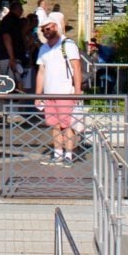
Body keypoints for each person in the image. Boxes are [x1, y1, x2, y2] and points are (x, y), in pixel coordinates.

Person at [35, 16, 83, 167]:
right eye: (43, 30)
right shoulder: (43, 48)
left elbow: (77, 67)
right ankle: (57, 154)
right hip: (50, 93)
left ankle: (68, 155)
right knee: (54, 125)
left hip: (64, 92)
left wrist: (77, 91)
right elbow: (41, 71)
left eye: (48, 28)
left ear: (55, 26)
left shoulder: (67, 44)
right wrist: (38, 95)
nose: (45, 32)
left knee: (66, 125)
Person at [0, 0, 28, 84]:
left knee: (16, 83)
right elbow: (6, 37)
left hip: (12, 57)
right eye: (21, 9)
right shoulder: (10, 20)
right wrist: (12, 57)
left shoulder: (14, 20)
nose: (22, 11)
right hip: (8, 57)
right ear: (16, 9)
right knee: (9, 84)